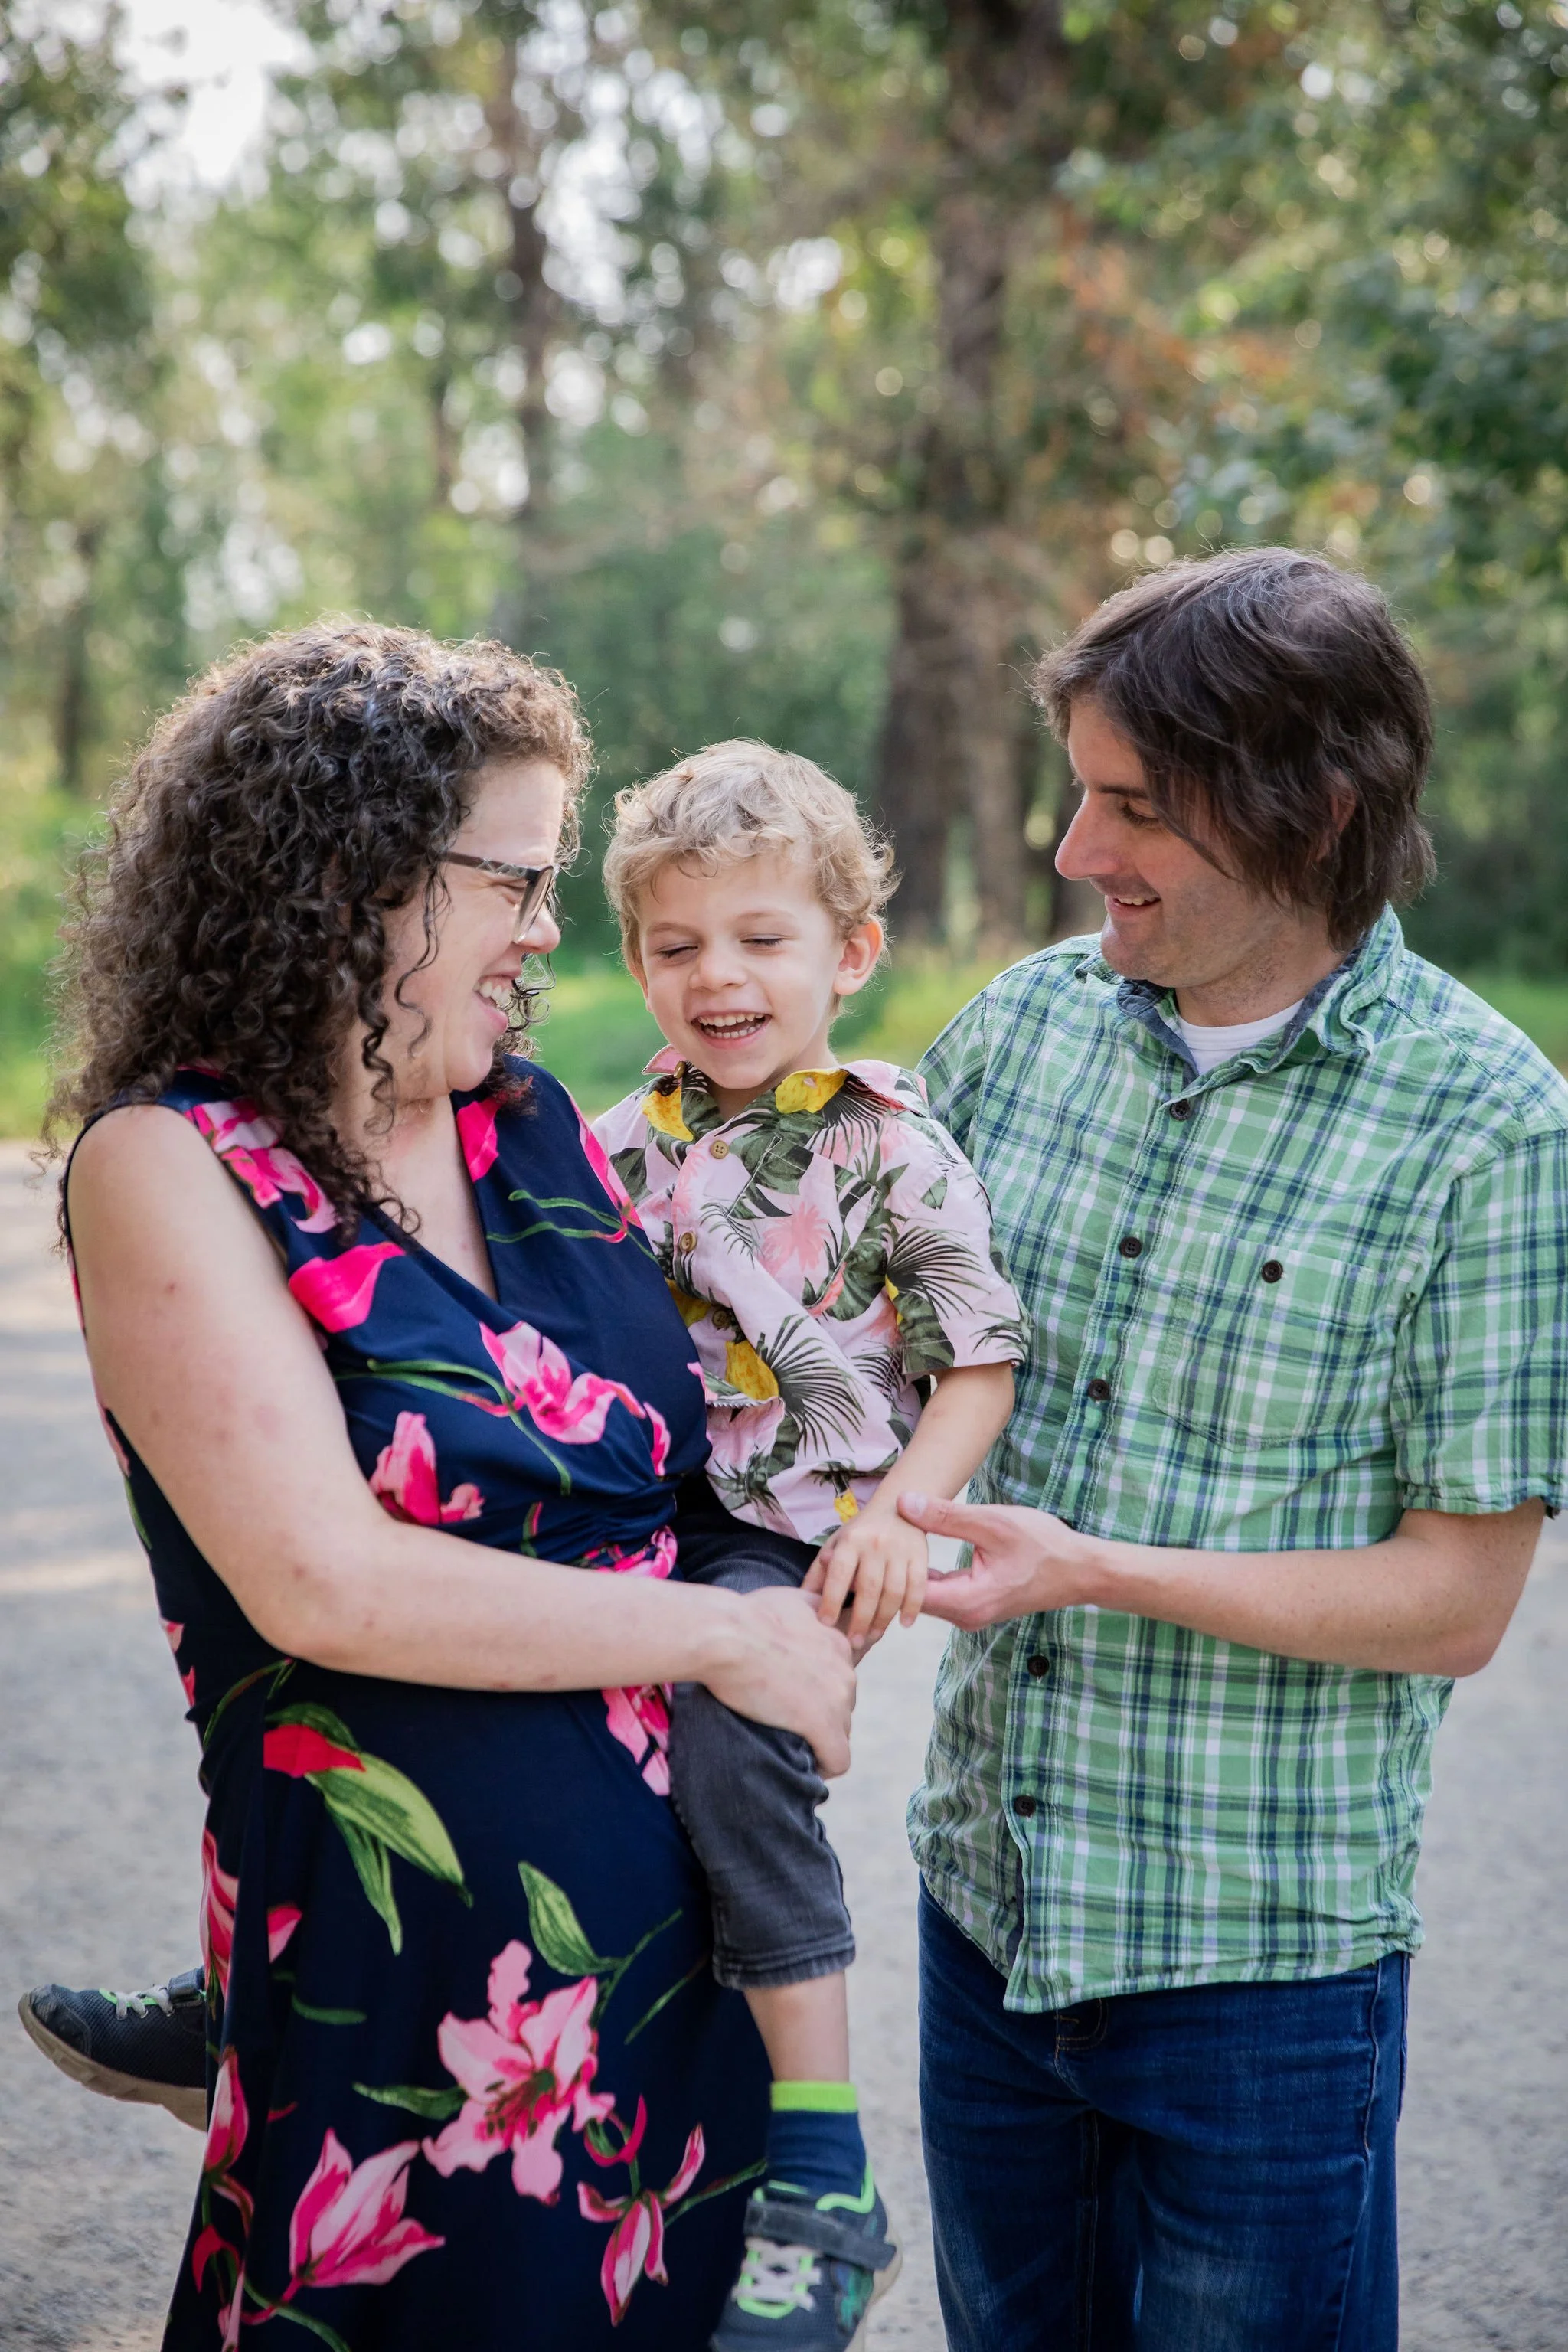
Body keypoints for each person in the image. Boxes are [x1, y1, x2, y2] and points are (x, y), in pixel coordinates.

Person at [27, 620, 857, 2350]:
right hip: (404, 2020)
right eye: (519, 880)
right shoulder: (170, 1167)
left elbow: (678, 1475)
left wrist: (812, 1582)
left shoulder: (534, 1124)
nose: (551, 933)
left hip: (671, 1990)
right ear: (359, 878)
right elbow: (325, 1585)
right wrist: (715, 1648)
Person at [894, 547, 1568, 2350]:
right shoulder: (1015, 1038)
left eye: (1131, 808)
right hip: (986, 1918)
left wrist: (1094, 1568)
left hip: (1256, 1979)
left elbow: (1452, 1601)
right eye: (1075, 792)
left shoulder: (1490, 1129)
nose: (1072, 853)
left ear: (1315, 808)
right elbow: (842, 1357)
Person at [594, 743, 1028, 2350]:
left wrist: (900, 1519)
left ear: (849, 954)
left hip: (802, 1526)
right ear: (633, 955)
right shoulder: (610, 1140)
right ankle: (265, 1990)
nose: (717, 978)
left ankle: (824, 2162)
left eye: (761, 938)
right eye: (676, 943)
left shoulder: (891, 1148)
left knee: (726, 1737)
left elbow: (976, 1358)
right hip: (636, 1506)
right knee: (445, 1638)